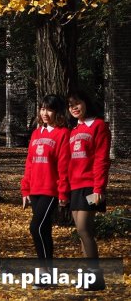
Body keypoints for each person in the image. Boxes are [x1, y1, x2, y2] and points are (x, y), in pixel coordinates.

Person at [21, 94, 70, 286]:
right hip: (35, 189)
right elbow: (30, 163)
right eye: (42, 109)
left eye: (49, 109)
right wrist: (25, 189)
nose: (45, 113)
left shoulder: (62, 133)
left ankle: (43, 272)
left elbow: (63, 166)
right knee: (44, 230)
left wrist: (63, 193)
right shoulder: (36, 133)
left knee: (36, 227)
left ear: (57, 112)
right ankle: (49, 276)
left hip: (51, 189)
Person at [66, 90, 111, 291]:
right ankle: (88, 277)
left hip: (91, 186)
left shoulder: (98, 125)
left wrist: (99, 187)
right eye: (70, 105)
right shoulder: (74, 130)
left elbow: (102, 159)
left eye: (77, 103)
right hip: (74, 186)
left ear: (86, 103)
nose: (74, 108)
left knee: (85, 228)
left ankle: (96, 277)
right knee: (81, 231)